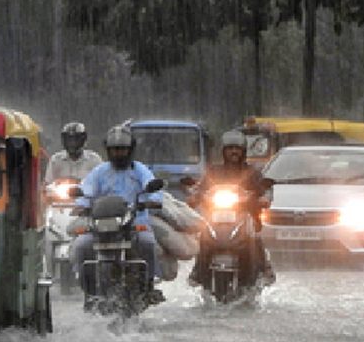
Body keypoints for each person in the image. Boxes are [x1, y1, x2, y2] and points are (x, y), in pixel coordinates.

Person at [70, 124, 165, 304]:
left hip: (134, 223)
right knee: (81, 245)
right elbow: (86, 190)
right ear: (108, 150)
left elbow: (152, 186)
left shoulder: (139, 170)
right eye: (114, 150)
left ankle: (150, 284)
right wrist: (81, 204)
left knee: (148, 242)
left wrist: (151, 199)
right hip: (101, 226)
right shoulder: (100, 171)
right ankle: (87, 287)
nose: (118, 154)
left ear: (130, 150)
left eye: (122, 150)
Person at [187, 129, 276, 285]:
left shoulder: (252, 172)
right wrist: (195, 195)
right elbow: (201, 187)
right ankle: (198, 270)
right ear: (223, 151)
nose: (234, 152)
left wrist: (263, 198)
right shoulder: (214, 171)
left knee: (254, 236)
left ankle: (263, 268)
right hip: (215, 216)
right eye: (230, 148)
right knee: (203, 236)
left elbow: (264, 190)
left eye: (237, 148)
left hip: (245, 215)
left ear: (243, 151)